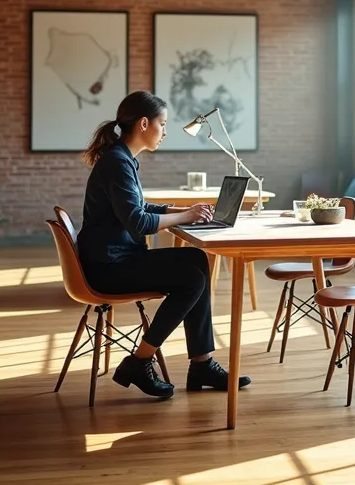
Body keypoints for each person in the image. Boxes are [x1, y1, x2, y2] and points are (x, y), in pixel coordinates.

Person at [76, 90, 252, 399]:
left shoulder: (121, 159)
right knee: (192, 278)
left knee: (197, 260)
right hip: (108, 268)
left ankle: (202, 364)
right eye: (163, 123)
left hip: (113, 259)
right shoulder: (117, 163)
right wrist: (186, 214)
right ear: (144, 124)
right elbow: (139, 222)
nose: (166, 131)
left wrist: (179, 211)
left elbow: (140, 207)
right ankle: (140, 360)